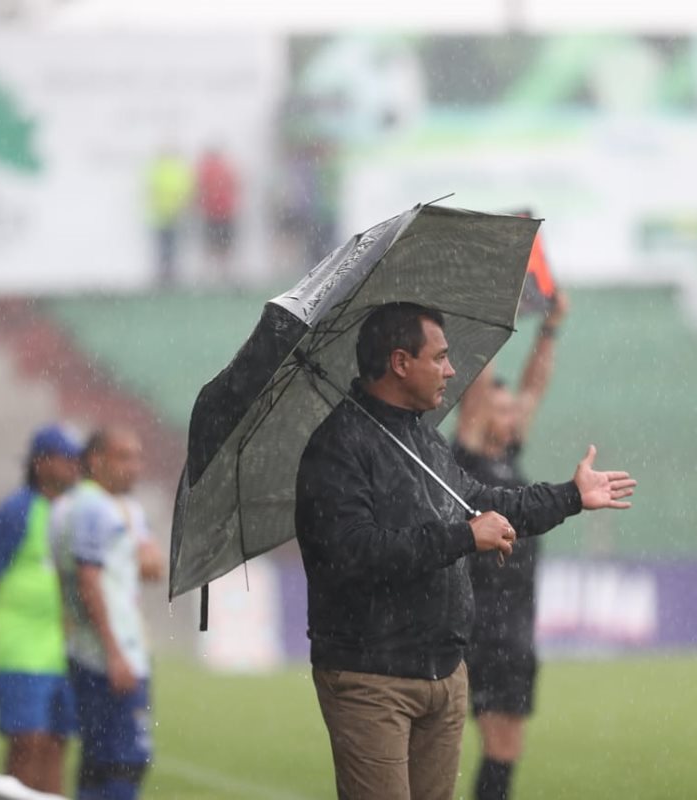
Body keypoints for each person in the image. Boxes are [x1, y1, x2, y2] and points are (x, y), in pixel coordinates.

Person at [295, 302, 637, 800]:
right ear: (399, 362)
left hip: (443, 672)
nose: (451, 370)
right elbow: (355, 554)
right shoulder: (338, 447)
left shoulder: (424, 442)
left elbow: (483, 501)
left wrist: (570, 496)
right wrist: (463, 536)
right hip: (371, 677)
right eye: (441, 357)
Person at [453, 292, 567, 800]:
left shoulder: (508, 453)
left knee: (506, 749)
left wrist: (549, 329)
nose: (511, 410)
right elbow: (478, 387)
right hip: (482, 621)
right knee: (489, 741)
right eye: (500, 406)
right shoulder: (470, 455)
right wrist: (495, 311)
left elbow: (534, 388)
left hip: (516, 620)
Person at [0, 425, 82, 794]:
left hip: (62, 652)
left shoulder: (71, 513)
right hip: (21, 651)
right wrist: (8, 617)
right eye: (66, 459)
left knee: (56, 743)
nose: (74, 467)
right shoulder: (14, 514)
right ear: (40, 462)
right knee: (26, 743)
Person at [50, 427, 163, 800]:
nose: (135, 466)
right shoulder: (92, 507)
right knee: (125, 762)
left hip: (105, 651)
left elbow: (152, 566)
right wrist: (114, 654)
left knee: (100, 763)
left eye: (138, 457)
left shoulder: (108, 506)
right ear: (95, 461)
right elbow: (88, 580)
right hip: (105, 657)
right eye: (124, 457)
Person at [145, 148, 194, 288]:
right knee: (165, 246)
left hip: (170, 215)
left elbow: (184, 190)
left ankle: (169, 275)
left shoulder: (163, 170)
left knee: (170, 246)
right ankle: (165, 275)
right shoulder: (165, 170)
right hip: (164, 215)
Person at [194, 147, 240, 281]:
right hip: (221, 213)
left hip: (215, 213)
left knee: (215, 245)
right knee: (221, 245)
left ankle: (216, 273)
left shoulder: (207, 170)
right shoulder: (224, 169)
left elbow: (200, 191)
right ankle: (221, 273)